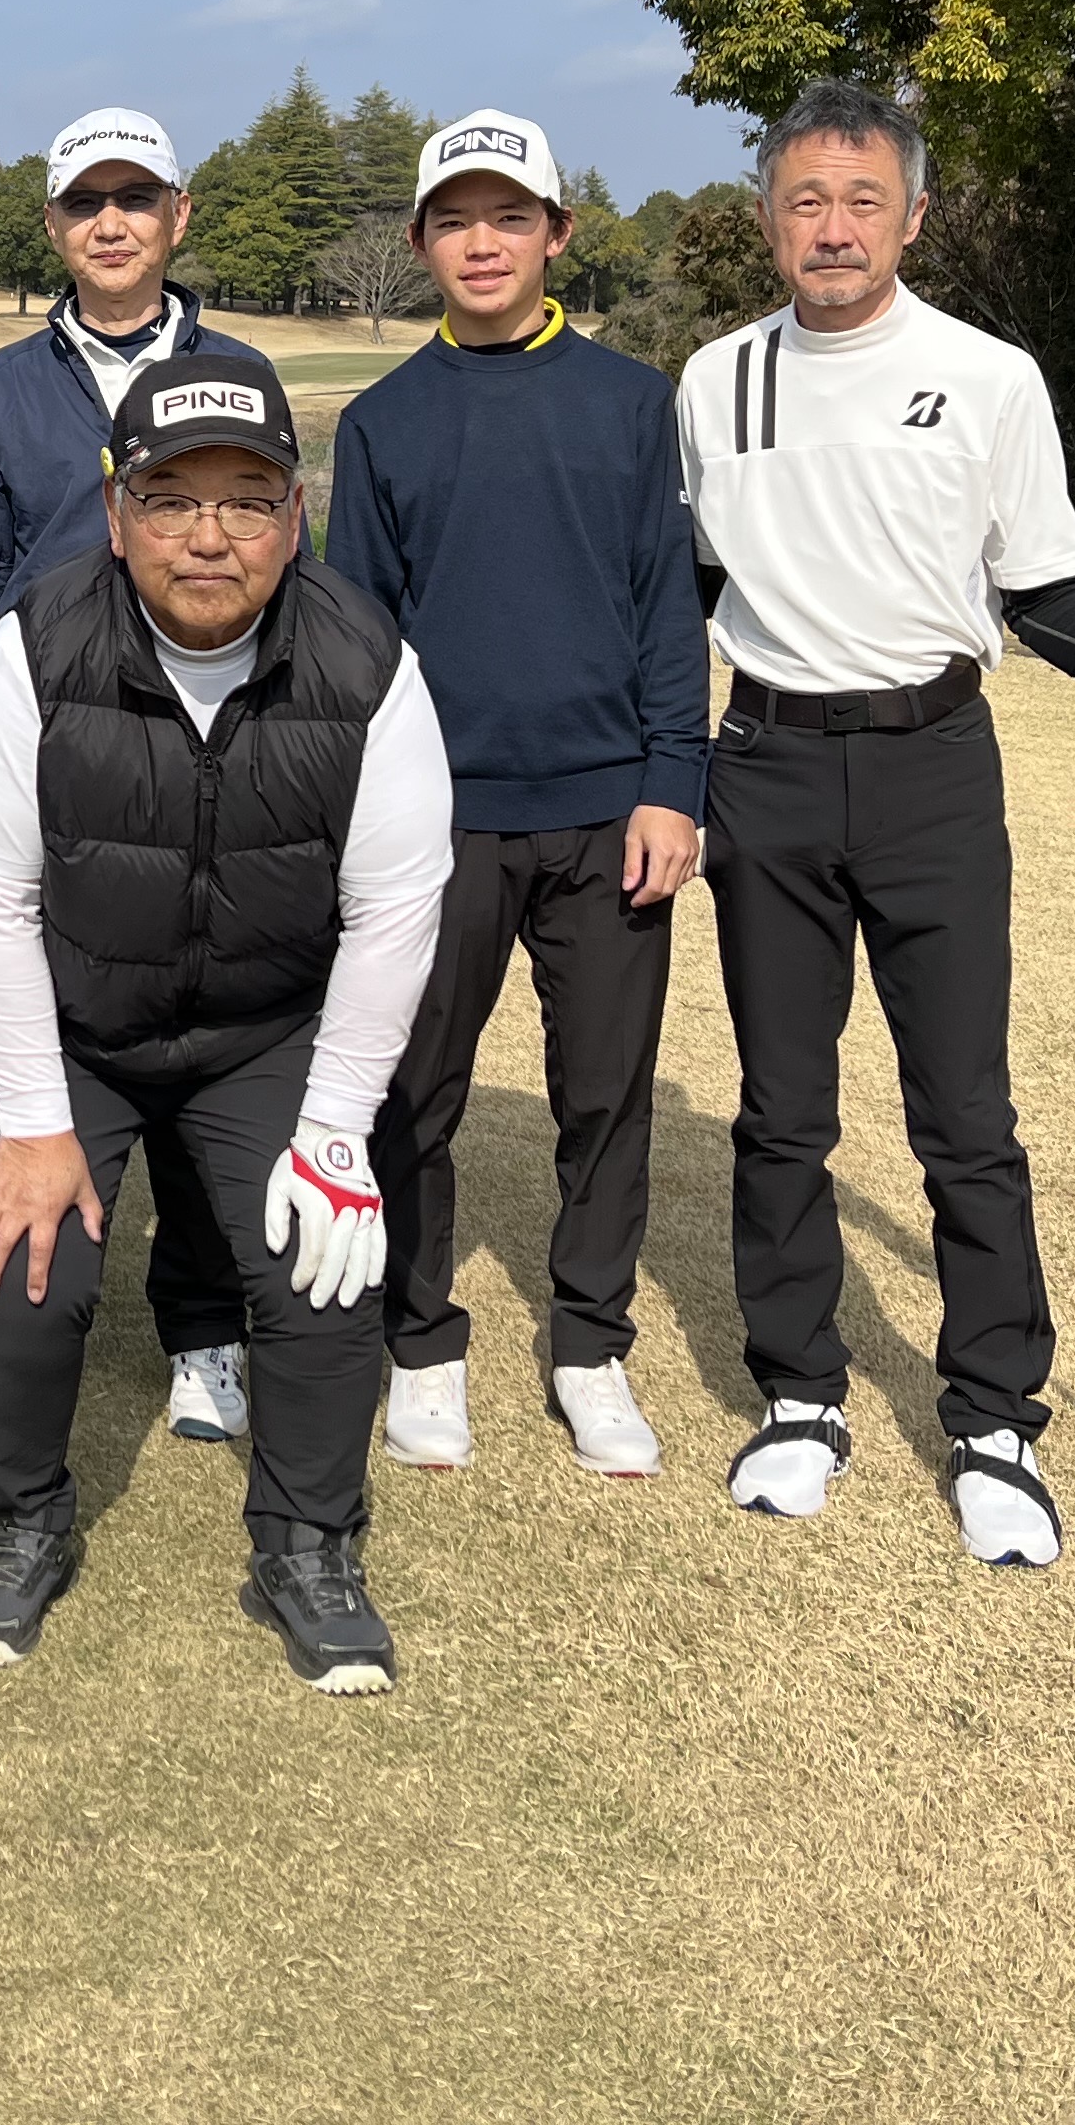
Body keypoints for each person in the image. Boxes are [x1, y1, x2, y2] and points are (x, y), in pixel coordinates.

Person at [678, 78, 1075, 1568]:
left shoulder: (988, 375)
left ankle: (992, 1418)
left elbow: (1038, 590)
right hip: (767, 762)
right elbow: (683, 590)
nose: (833, 228)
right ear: (767, 219)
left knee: (965, 1117)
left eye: (863, 201)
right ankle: (800, 1393)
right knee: (782, 1109)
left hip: (933, 766)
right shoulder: (714, 379)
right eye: (805, 200)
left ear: (912, 217)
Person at [0, 352, 454, 1692]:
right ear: (117, 514)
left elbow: (396, 907)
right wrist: (32, 1121)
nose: (209, 536)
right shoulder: (33, 644)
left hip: (266, 1028)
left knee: (322, 1265)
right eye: (171, 499)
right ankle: (17, 1514)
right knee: (28, 1263)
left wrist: (334, 1130)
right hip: (75, 1020)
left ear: (297, 514)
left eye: (248, 499)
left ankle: (308, 1540)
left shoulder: (370, 662)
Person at [330, 114, 710, 1478]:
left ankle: (591, 1346)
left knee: (603, 1094)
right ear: (420, 241)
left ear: (557, 234)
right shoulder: (381, 423)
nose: (480, 244)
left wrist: (673, 785)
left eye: (508, 218)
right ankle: (419, 1341)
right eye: (454, 221)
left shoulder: (632, 403)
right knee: (412, 1090)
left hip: (609, 812)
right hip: (439, 822)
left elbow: (667, 608)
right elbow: (358, 644)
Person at [0, 107, 261, 1448]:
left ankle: (205, 1324)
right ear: (54, 224)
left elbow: (283, 563)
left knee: (206, 1014)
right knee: (40, 998)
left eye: (136, 198)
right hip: (40, 744)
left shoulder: (236, 370)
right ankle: (34, 1276)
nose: (111, 223)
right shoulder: (3, 385)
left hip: (209, 746)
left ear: (178, 216)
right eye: (85, 202)